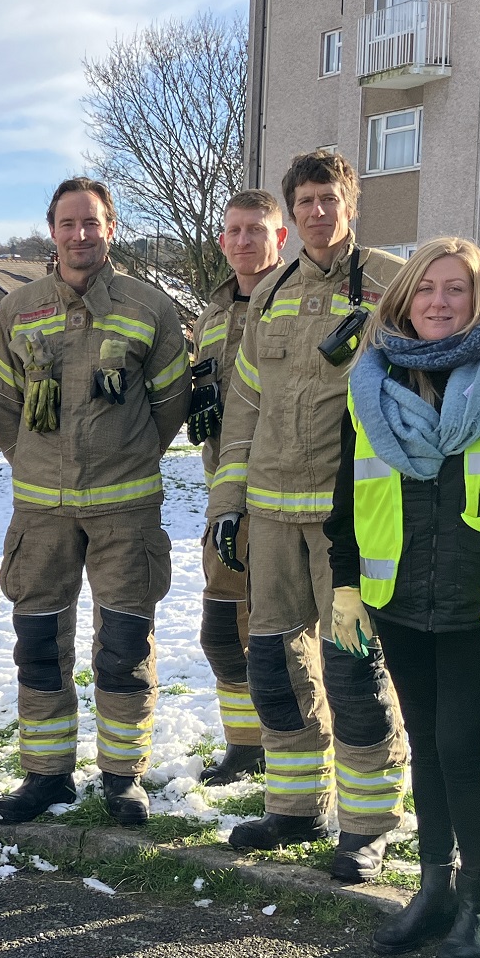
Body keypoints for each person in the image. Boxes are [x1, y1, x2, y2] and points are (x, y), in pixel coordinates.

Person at [206, 149, 410, 882]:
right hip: (268, 515)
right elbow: (245, 409)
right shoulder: (271, 294)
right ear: (293, 214)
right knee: (274, 667)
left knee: (353, 670)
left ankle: (366, 828)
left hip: (346, 518)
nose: (318, 212)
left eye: (330, 199)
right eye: (307, 202)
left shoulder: (392, 282)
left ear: (351, 203)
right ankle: (294, 809)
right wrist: (228, 502)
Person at [327, 238, 480, 958]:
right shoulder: (370, 383)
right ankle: (434, 888)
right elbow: (348, 495)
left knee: (465, 753)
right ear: (402, 300)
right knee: (429, 747)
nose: (440, 301)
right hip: (401, 600)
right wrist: (347, 581)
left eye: (458, 290)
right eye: (426, 289)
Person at [0, 177, 191, 827]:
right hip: (42, 512)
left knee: (124, 648)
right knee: (41, 646)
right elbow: (2, 404)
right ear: (52, 230)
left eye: (92, 223)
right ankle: (45, 776)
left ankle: (123, 777)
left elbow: (171, 405)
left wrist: (125, 456)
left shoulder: (151, 308)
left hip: (124, 509)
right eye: (69, 223)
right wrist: (35, 463)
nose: (81, 234)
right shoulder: (18, 310)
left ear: (111, 227)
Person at [189, 191, 283, 787]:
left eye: (257, 230)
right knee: (222, 629)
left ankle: (290, 743)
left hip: (284, 497)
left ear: (281, 238)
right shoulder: (210, 316)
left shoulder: (296, 304)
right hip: (225, 495)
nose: (243, 241)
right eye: (233, 231)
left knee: (278, 635)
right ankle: (244, 743)